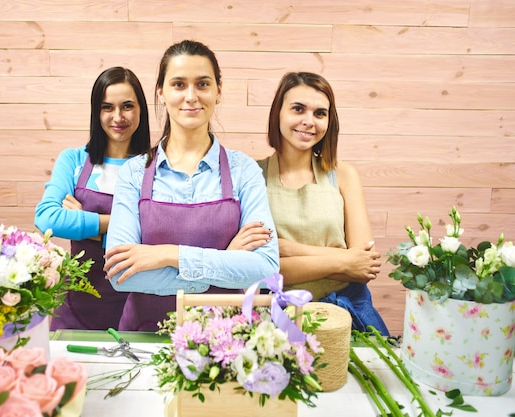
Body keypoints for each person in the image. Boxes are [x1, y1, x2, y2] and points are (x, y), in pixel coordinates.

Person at [104, 40, 279, 332]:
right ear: (161, 91)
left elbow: (265, 268)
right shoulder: (134, 173)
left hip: (226, 340)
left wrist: (168, 254)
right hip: (145, 339)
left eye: (202, 84)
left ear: (218, 91)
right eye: (178, 84)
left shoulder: (243, 171)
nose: (191, 96)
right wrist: (226, 263)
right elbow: (121, 273)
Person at [257, 72, 390, 335]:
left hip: (348, 313)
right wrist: (344, 260)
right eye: (298, 109)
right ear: (278, 113)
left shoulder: (344, 175)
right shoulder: (251, 176)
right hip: (279, 318)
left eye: (320, 113)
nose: (309, 121)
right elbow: (261, 269)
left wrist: (287, 248)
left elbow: (364, 266)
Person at [35, 66, 151, 330]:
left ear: (141, 110)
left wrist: (83, 226)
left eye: (127, 106)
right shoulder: (74, 160)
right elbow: (47, 219)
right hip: (77, 307)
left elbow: (160, 236)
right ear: (96, 112)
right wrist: (122, 223)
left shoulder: (156, 167)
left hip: (139, 306)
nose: (118, 117)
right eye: (107, 107)